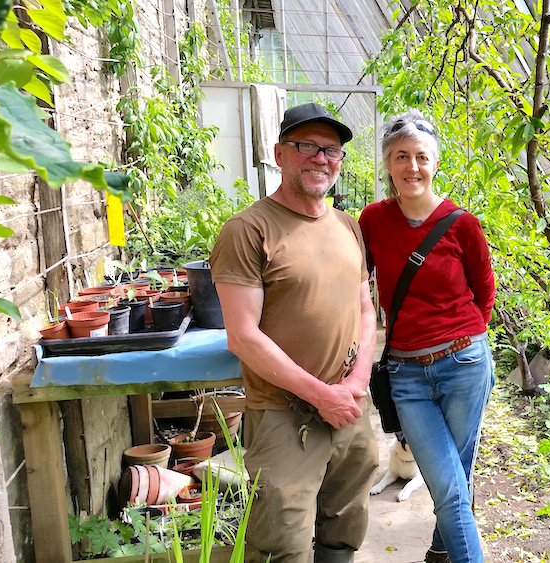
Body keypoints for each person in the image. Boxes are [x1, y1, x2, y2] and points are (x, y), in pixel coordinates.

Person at [209, 102, 378, 563]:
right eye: (307, 146)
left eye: (331, 150)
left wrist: (357, 381)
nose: (321, 158)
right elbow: (243, 336)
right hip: (284, 413)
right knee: (281, 540)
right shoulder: (247, 230)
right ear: (279, 153)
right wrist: (322, 396)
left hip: (349, 405)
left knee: (345, 521)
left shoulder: (347, 226)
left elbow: (365, 310)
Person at [358, 109, 496, 563]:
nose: (412, 166)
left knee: (455, 478)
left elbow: (484, 292)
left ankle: (441, 552)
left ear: (435, 163)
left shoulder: (461, 223)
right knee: (450, 484)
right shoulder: (373, 220)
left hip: (464, 365)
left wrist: (462, 340)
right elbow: (356, 281)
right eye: (401, 156)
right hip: (407, 375)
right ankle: (447, 551)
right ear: (388, 163)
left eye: (421, 156)